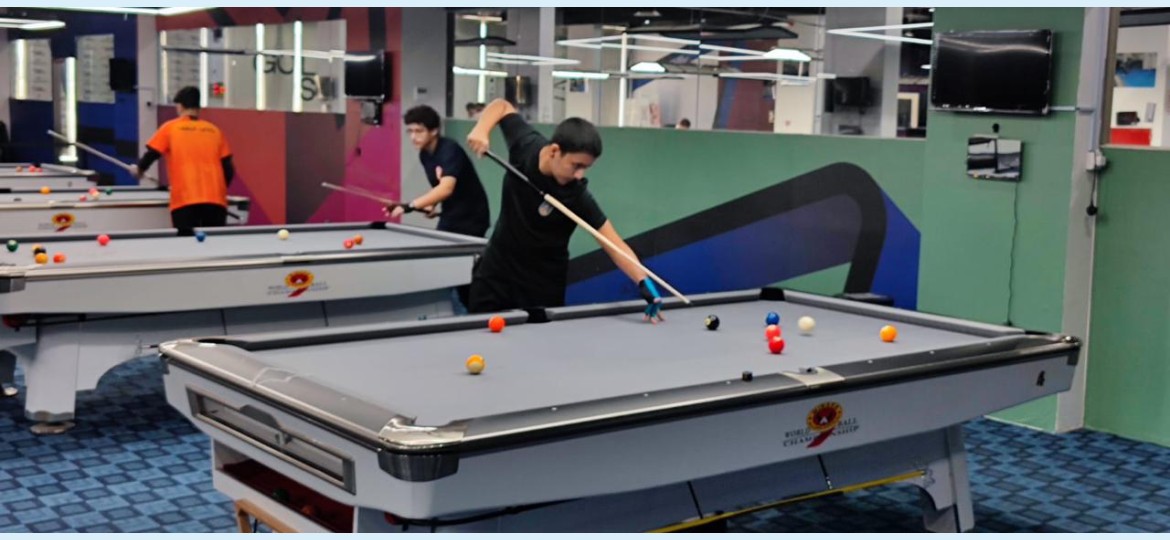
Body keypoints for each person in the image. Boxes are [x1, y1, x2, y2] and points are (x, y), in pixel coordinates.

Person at [464, 98, 664, 322]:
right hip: (496, 274)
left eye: (586, 168)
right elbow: (502, 106)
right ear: (554, 151)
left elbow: (614, 244)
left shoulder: (576, 196)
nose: (580, 175)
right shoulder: (526, 145)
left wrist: (643, 281)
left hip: (541, 287)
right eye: (576, 165)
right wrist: (481, 129)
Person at [389, 104, 491, 314]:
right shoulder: (425, 154)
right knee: (445, 265)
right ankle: (459, 312)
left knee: (460, 271)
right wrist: (431, 205)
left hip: (472, 218)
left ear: (434, 130)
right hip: (452, 215)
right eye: (410, 131)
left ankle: (473, 314)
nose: (413, 137)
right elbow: (439, 187)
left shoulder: (449, 150)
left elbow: (446, 188)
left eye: (419, 131)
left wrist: (410, 206)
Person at [132, 86, 235, 234]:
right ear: (198, 107)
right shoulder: (215, 131)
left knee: (186, 244)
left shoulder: (170, 128)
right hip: (216, 203)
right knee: (214, 244)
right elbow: (228, 169)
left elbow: (151, 155)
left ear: (180, 106)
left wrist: (139, 170)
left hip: (185, 201)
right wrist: (218, 191)